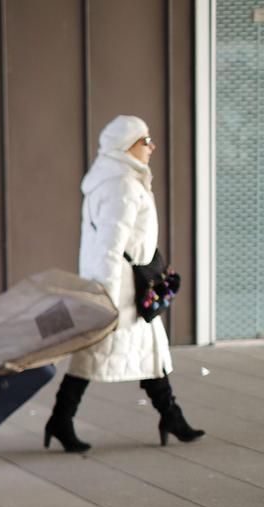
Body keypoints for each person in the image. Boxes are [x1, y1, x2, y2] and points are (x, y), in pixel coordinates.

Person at [44, 115, 204, 452]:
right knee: (96, 352)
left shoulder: (115, 178)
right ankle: (62, 419)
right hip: (120, 289)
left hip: (124, 286)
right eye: (145, 140)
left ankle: (170, 415)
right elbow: (111, 245)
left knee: (147, 351)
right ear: (125, 145)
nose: (152, 147)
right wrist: (107, 296)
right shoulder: (122, 185)